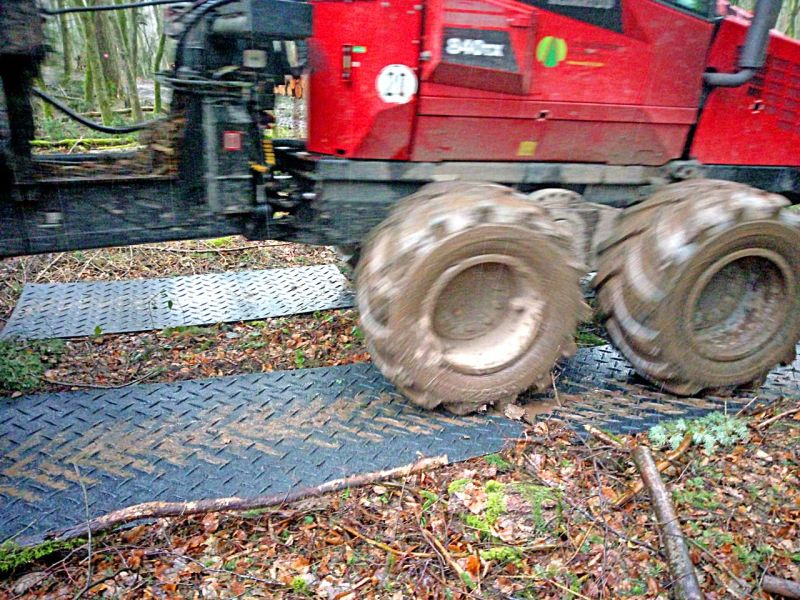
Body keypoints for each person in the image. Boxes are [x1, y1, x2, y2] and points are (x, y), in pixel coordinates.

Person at [0, 1, 45, 186]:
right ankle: (22, 168)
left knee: (17, 104)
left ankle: (19, 166)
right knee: (19, 104)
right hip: (21, 39)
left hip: (18, 41)